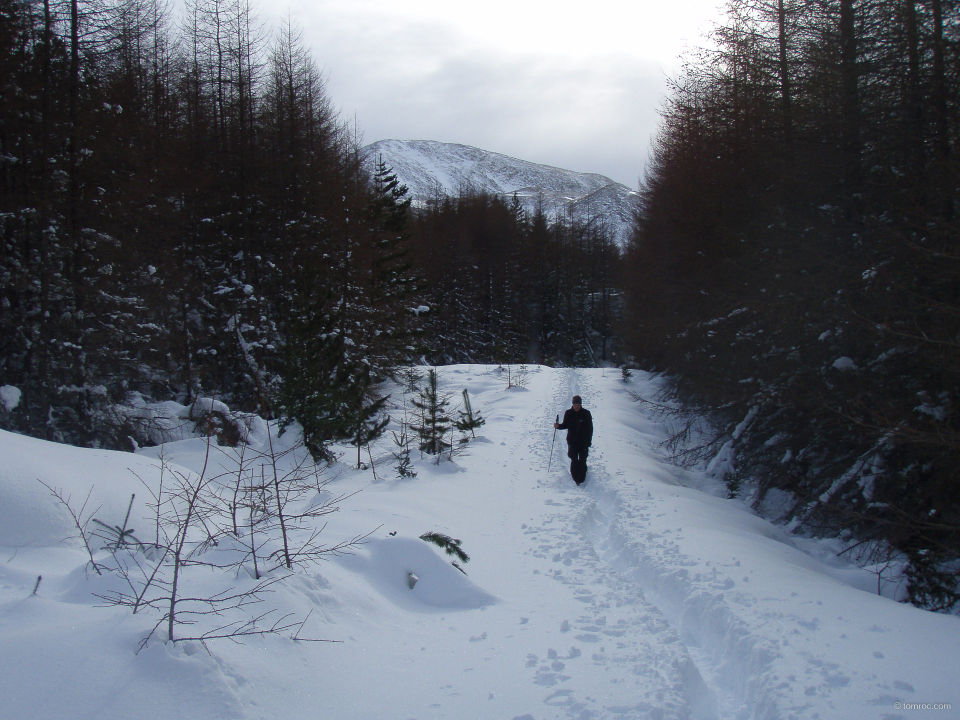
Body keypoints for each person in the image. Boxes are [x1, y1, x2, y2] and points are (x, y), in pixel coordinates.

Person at [554, 395, 593, 485]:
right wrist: (558, 426)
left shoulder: (586, 413)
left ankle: (582, 478)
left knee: (583, 460)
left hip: (583, 442)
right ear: (572, 404)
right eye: (575, 405)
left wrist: (588, 441)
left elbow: (590, 429)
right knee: (574, 459)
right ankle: (575, 479)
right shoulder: (568, 413)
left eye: (578, 405)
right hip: (572, 441)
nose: (576, 407)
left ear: (580, 404)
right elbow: (565, 425)